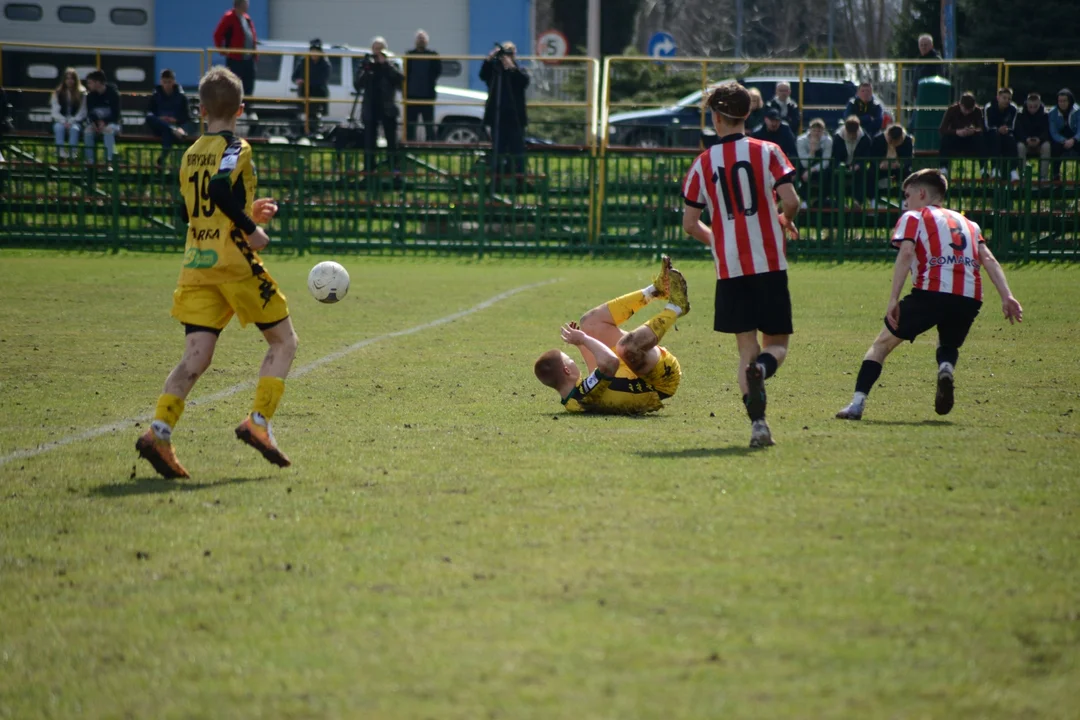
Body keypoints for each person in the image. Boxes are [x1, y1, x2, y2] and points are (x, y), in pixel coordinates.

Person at [136, 66, 297, 480]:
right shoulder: (235, 145)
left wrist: (248, 210)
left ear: (201, 108)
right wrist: (252, 228)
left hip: (197, 264)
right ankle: (258, 423)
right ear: (240, 109)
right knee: (284, 342)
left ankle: (159, 431)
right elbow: (220, 191)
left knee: (196, 357)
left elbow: (196, 208)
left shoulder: (190, 153)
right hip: (232, 262)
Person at [835, 169, 1023, 421]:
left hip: (930, 293)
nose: (905, 201)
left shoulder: (914, 216)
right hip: (969, 296)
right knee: (947, 344)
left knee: (881, 345)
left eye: (907, 195)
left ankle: (856, 405)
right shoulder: (969, 223)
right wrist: (1007, 296)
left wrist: (893, 298)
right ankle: (945, 367)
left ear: (921, 193)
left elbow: (906, 253)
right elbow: (987, 258)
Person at [681, 82, 801, 448]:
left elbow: (689, 224)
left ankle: (759, 426)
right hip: (768, 262)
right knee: (776, 344)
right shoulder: (768, 150)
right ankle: (763, 370)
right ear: (748, 114)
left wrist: (719, 240)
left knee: (745, 345)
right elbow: (792, 200)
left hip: (730, 268)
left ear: (716, 118)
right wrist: (783, 220)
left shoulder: (703, 163)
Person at [533, 256, 689, 414]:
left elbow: (598, 373)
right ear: (567, 370)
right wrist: (584, 339)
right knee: (625, 347)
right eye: (570, 360)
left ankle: (655, 290)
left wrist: (581, 341)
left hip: (634, 373)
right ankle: (675, 308)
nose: (575, 361)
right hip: (660, 381)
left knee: (589, 323)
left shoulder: (576, 396)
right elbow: (610, 362)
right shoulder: (580, 397)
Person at [480, 41, 529, 180]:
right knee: (498, 150)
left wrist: (511, 67)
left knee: (518, 150)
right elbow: (483, 75)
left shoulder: (519, 70)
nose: (508, 56)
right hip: (498, 117)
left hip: (515, 119)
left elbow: (523, 82)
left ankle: (520, 178)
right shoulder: (495, 72)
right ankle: (497, 178)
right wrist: (490, 58)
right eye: (506, 53)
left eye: (511, 53)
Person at [358, 36, 404, 176]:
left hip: (387, 107)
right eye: (375, 49)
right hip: (370, 107)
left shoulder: (391, 64)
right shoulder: (366, 63)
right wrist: (366, 69)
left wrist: (385, 64)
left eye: (380, 49)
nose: (377, 52)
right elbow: (358, 84)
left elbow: (399, 80)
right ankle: (369, 167)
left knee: (391, 139)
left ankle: (393, 167)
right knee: (369, 139)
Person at [213, 0, 258, 102]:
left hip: (248, 58)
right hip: (235, 58)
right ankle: (233, 107)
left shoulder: (246, 18)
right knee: (234, 84)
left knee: (249, 83)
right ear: (239, 5)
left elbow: (252, 36)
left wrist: (255, 54)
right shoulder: (229, 17)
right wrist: (222, 50)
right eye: (245, 4)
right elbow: (217, 34)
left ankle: (248, 108)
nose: (247, 6)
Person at [145, 69, 191, 166]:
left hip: (175, 126)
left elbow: (187, 116)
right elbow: (149, 113)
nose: (167, 85)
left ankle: (161, 162)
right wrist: (160, 118)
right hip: (160, 126)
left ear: (173, 81)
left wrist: (175, 119)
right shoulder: (155, 95)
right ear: (161, 82)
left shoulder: (181, 96)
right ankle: (172, 129)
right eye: (165, 82)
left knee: (167, 133)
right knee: (151, 119)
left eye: (169, 82)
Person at [404, 29, 442, 142]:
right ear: (415, 41)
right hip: (411, 95)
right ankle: (409, 143)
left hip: (427, 95)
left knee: (429, 123)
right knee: (411, 123)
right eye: (419, 38)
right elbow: (405, 72)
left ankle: (431, 144)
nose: (421, 40)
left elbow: (437, 71)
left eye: (423, 38)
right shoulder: (409, 55)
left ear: (427, 41)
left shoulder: (433, 55)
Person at [867, 124, 913, 206]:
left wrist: (900, 164)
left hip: (898, 169)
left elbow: (909, 158)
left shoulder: (907, 140)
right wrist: (880, 164)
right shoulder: (878, 139)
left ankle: (904, 202)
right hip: (881, 169)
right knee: (871, 174)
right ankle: (873, 201)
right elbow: (872, 157)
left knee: (907, 175)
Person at [938, 92, 984, 174]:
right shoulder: (952, 110)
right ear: (960, 105)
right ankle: (944, 167)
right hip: (955, 140)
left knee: (980, 139)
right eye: (965, 109)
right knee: (945, 138)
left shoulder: (977, 111)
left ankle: (983, 169)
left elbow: (981, 128)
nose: (967, 112)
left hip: (970, 141)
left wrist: (973, 131)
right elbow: (942, 129)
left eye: (970, 110)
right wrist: (956, 132)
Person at [83, 70, 121, 167]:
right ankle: (90, 161)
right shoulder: (90, 96)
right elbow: (90, 113)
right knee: (88, 131)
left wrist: (104, 122)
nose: (88, 86)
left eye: (90, 83)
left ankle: (109, 160)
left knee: (108, 130)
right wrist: (95, 123)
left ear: (98, 82)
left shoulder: (113, 94)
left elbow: (116, 115)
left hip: (113, 124)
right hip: (97, 124)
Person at [832, 115, 872, 203]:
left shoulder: (865, 138)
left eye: (853, 133)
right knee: (835, 175)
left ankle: (857, 201)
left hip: (857, 167)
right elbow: (835, 156)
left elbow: (866, 156)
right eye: (849, 133)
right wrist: (841, 166)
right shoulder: (838, 137)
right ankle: (840, 202)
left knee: (863, 174)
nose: (851, 136)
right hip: (841, 166)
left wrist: (858, 165)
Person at [291, 38, 331, 122]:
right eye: (312, 51)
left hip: (318, 93)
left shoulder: (325, 64)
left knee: (314, 114)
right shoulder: (304, 61)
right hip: (305, 93)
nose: (314, 54)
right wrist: (298, 80)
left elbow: (323, 80)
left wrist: (307, 81)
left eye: (316, 51)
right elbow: (294, 76)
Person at [50, 67, 86, 160]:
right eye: (67, 78)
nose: (70, 81)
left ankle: (72, 153)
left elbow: (82, 111)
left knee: (74, 129)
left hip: (76, 121)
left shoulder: (82, 93)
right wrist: (63, 121)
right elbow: (55, 111)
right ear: (64, 80)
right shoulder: (58, 93)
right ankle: (60, 153)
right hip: (61, 120)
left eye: (72, 78)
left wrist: (72, 121)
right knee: (58, 127)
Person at [1015, 91, 1051, 181]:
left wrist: (1040, 139)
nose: (1032, 109)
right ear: (1026, 104)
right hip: (1025, 143)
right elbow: (1018, 131)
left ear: (1039, 104)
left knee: (1047, 146)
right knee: (1020, 146)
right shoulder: (1020, 115)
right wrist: (1026, 139)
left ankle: (1043, 178)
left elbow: (1047, 131)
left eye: (1035, 106)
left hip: (1040, 144)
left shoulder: (1045, 115)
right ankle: (1023, 178)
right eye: (1030, 106)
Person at [983, 87, 1018, 180]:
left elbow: (1013, 126)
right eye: (1004, 98)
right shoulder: (989, 107)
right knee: (995, 137)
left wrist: (1006, 129)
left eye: (1009, 99)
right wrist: (998, 129)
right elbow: (987, 126)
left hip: (1006, 134)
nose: (1007, 101)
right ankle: (995, 169)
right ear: (998, 97)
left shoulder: (1013, 108)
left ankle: (1013, 170)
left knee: (1011, 139)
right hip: (991, 135)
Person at [796, 117, 833, 203]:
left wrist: (812, 170)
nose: (816, 133)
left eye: (819, 131)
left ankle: (823, 200)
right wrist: (812, 151)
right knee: (799, 172)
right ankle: (804, 200)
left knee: (827, 172)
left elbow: (826, 161)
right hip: (805, 165)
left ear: (823, 131)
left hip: (819, 167)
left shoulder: (828, 140)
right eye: (814, 130)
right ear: (810, 130)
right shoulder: (801, 140)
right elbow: (805, 163)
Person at [1048, 88, 1079, 180]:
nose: (1062, 103)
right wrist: (1064, 141)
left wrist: (1073, 140)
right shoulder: (1052, 113)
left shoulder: (1078, 111)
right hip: (1060, 139)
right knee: (1055, 148)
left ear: (1070, 101)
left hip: (1075, 138)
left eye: (1065, 101)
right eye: (1060, 101)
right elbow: (1053, 132)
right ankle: (1055, 176)